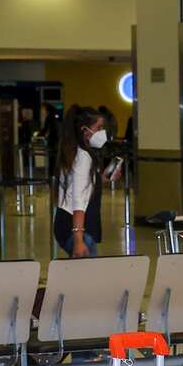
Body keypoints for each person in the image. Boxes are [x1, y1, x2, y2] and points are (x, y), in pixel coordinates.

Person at [53, 105, 117, 258]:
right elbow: (78, 200)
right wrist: (78, 239)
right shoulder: (83, 157)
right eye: (99, 127)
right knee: (88, 278)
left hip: (67, 223)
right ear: (85, 130)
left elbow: (79, 184)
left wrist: (102, 179)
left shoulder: (73, 152)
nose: (102, 132)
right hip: (78, 227)